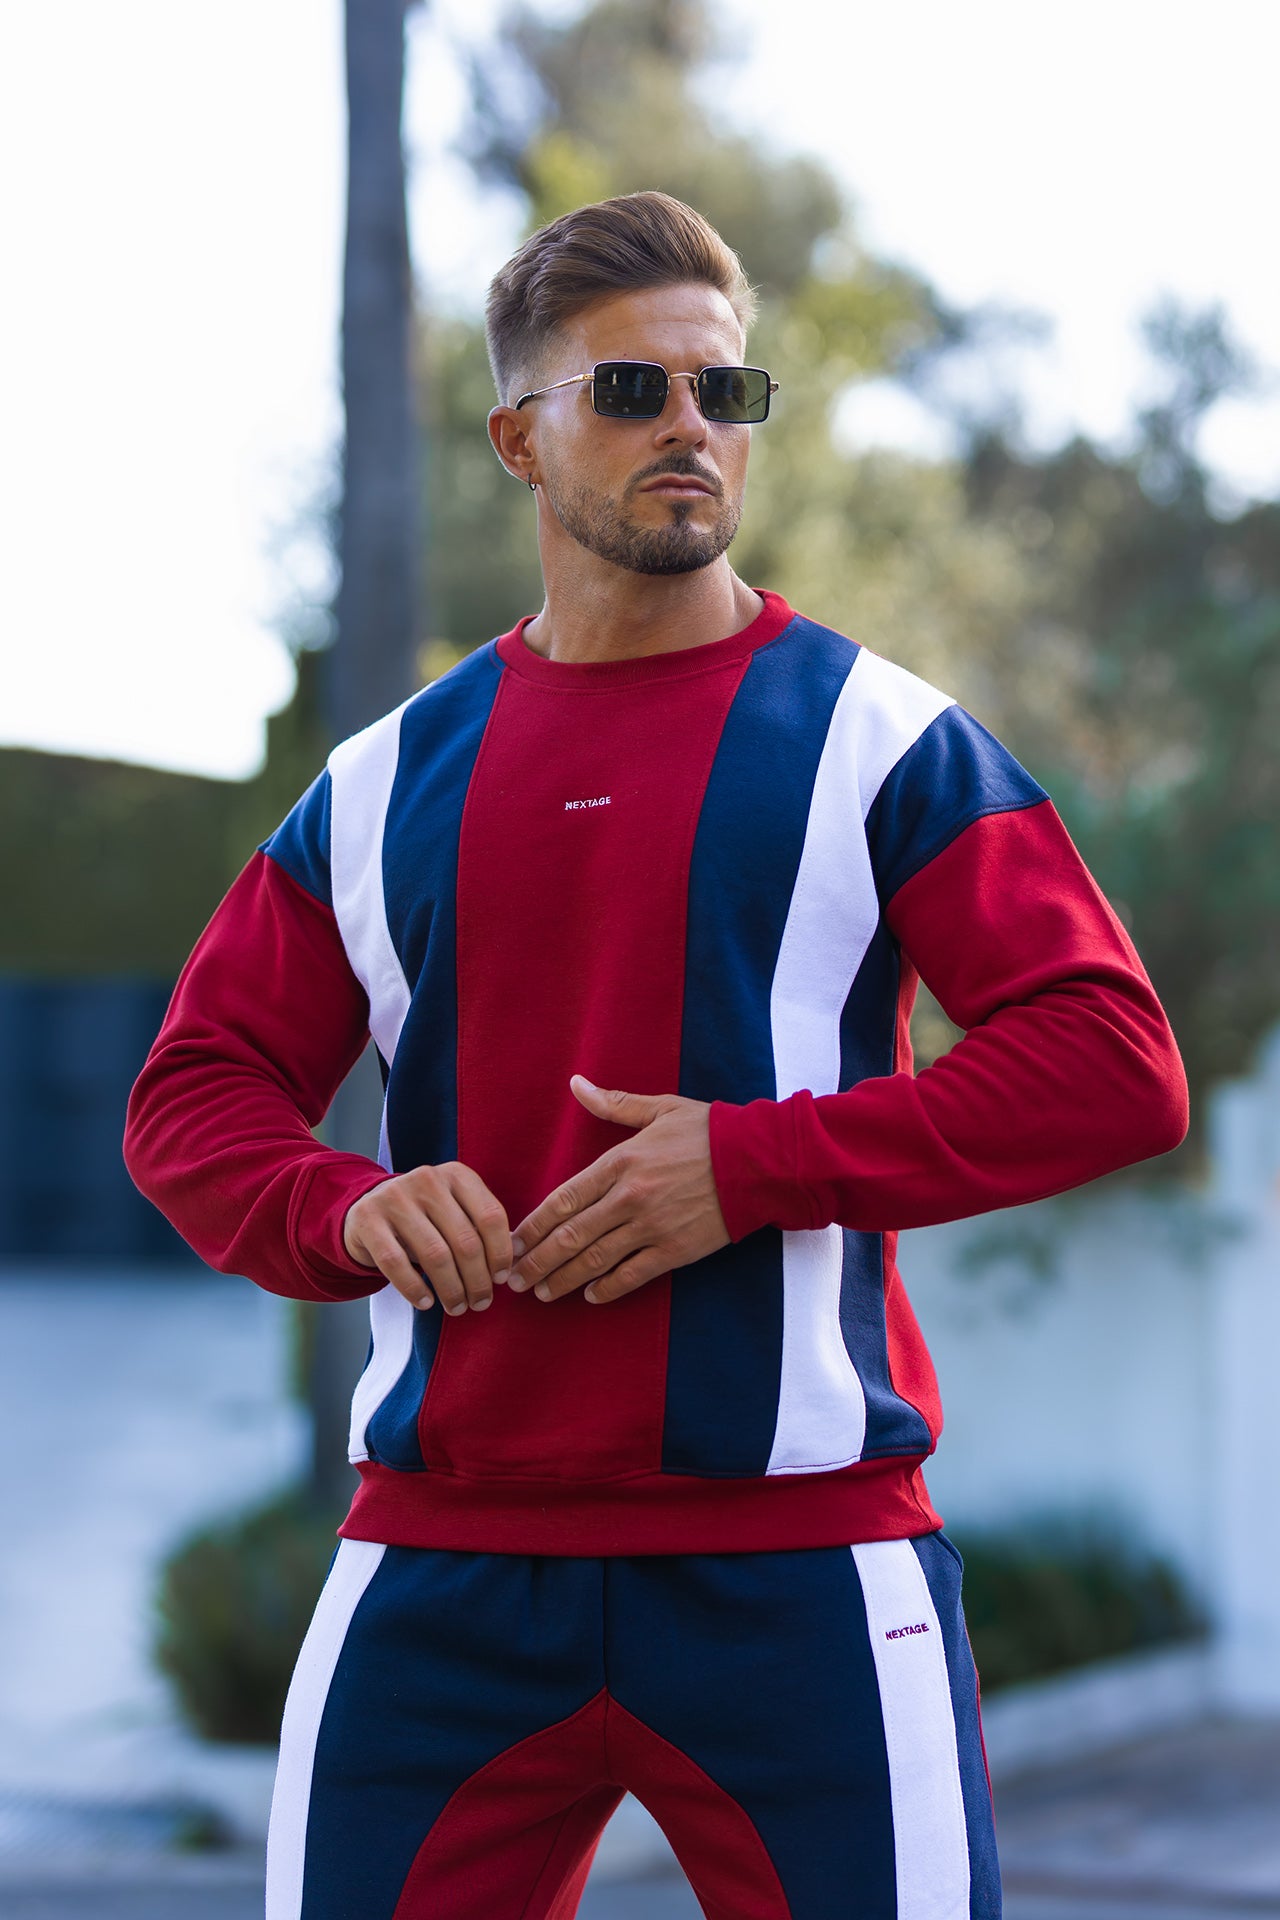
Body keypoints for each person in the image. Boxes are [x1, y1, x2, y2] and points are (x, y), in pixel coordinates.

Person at [125, 190, 1188, 1919]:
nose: (689, 426)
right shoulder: (385, 783)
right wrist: (345, 1212)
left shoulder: (880, 741)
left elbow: (1110, 1058)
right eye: (630, 392)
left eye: (724, 394)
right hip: (442, 1570)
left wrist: (756, 1162)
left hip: (809, 1566)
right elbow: (194, 1093)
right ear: (518, 439)